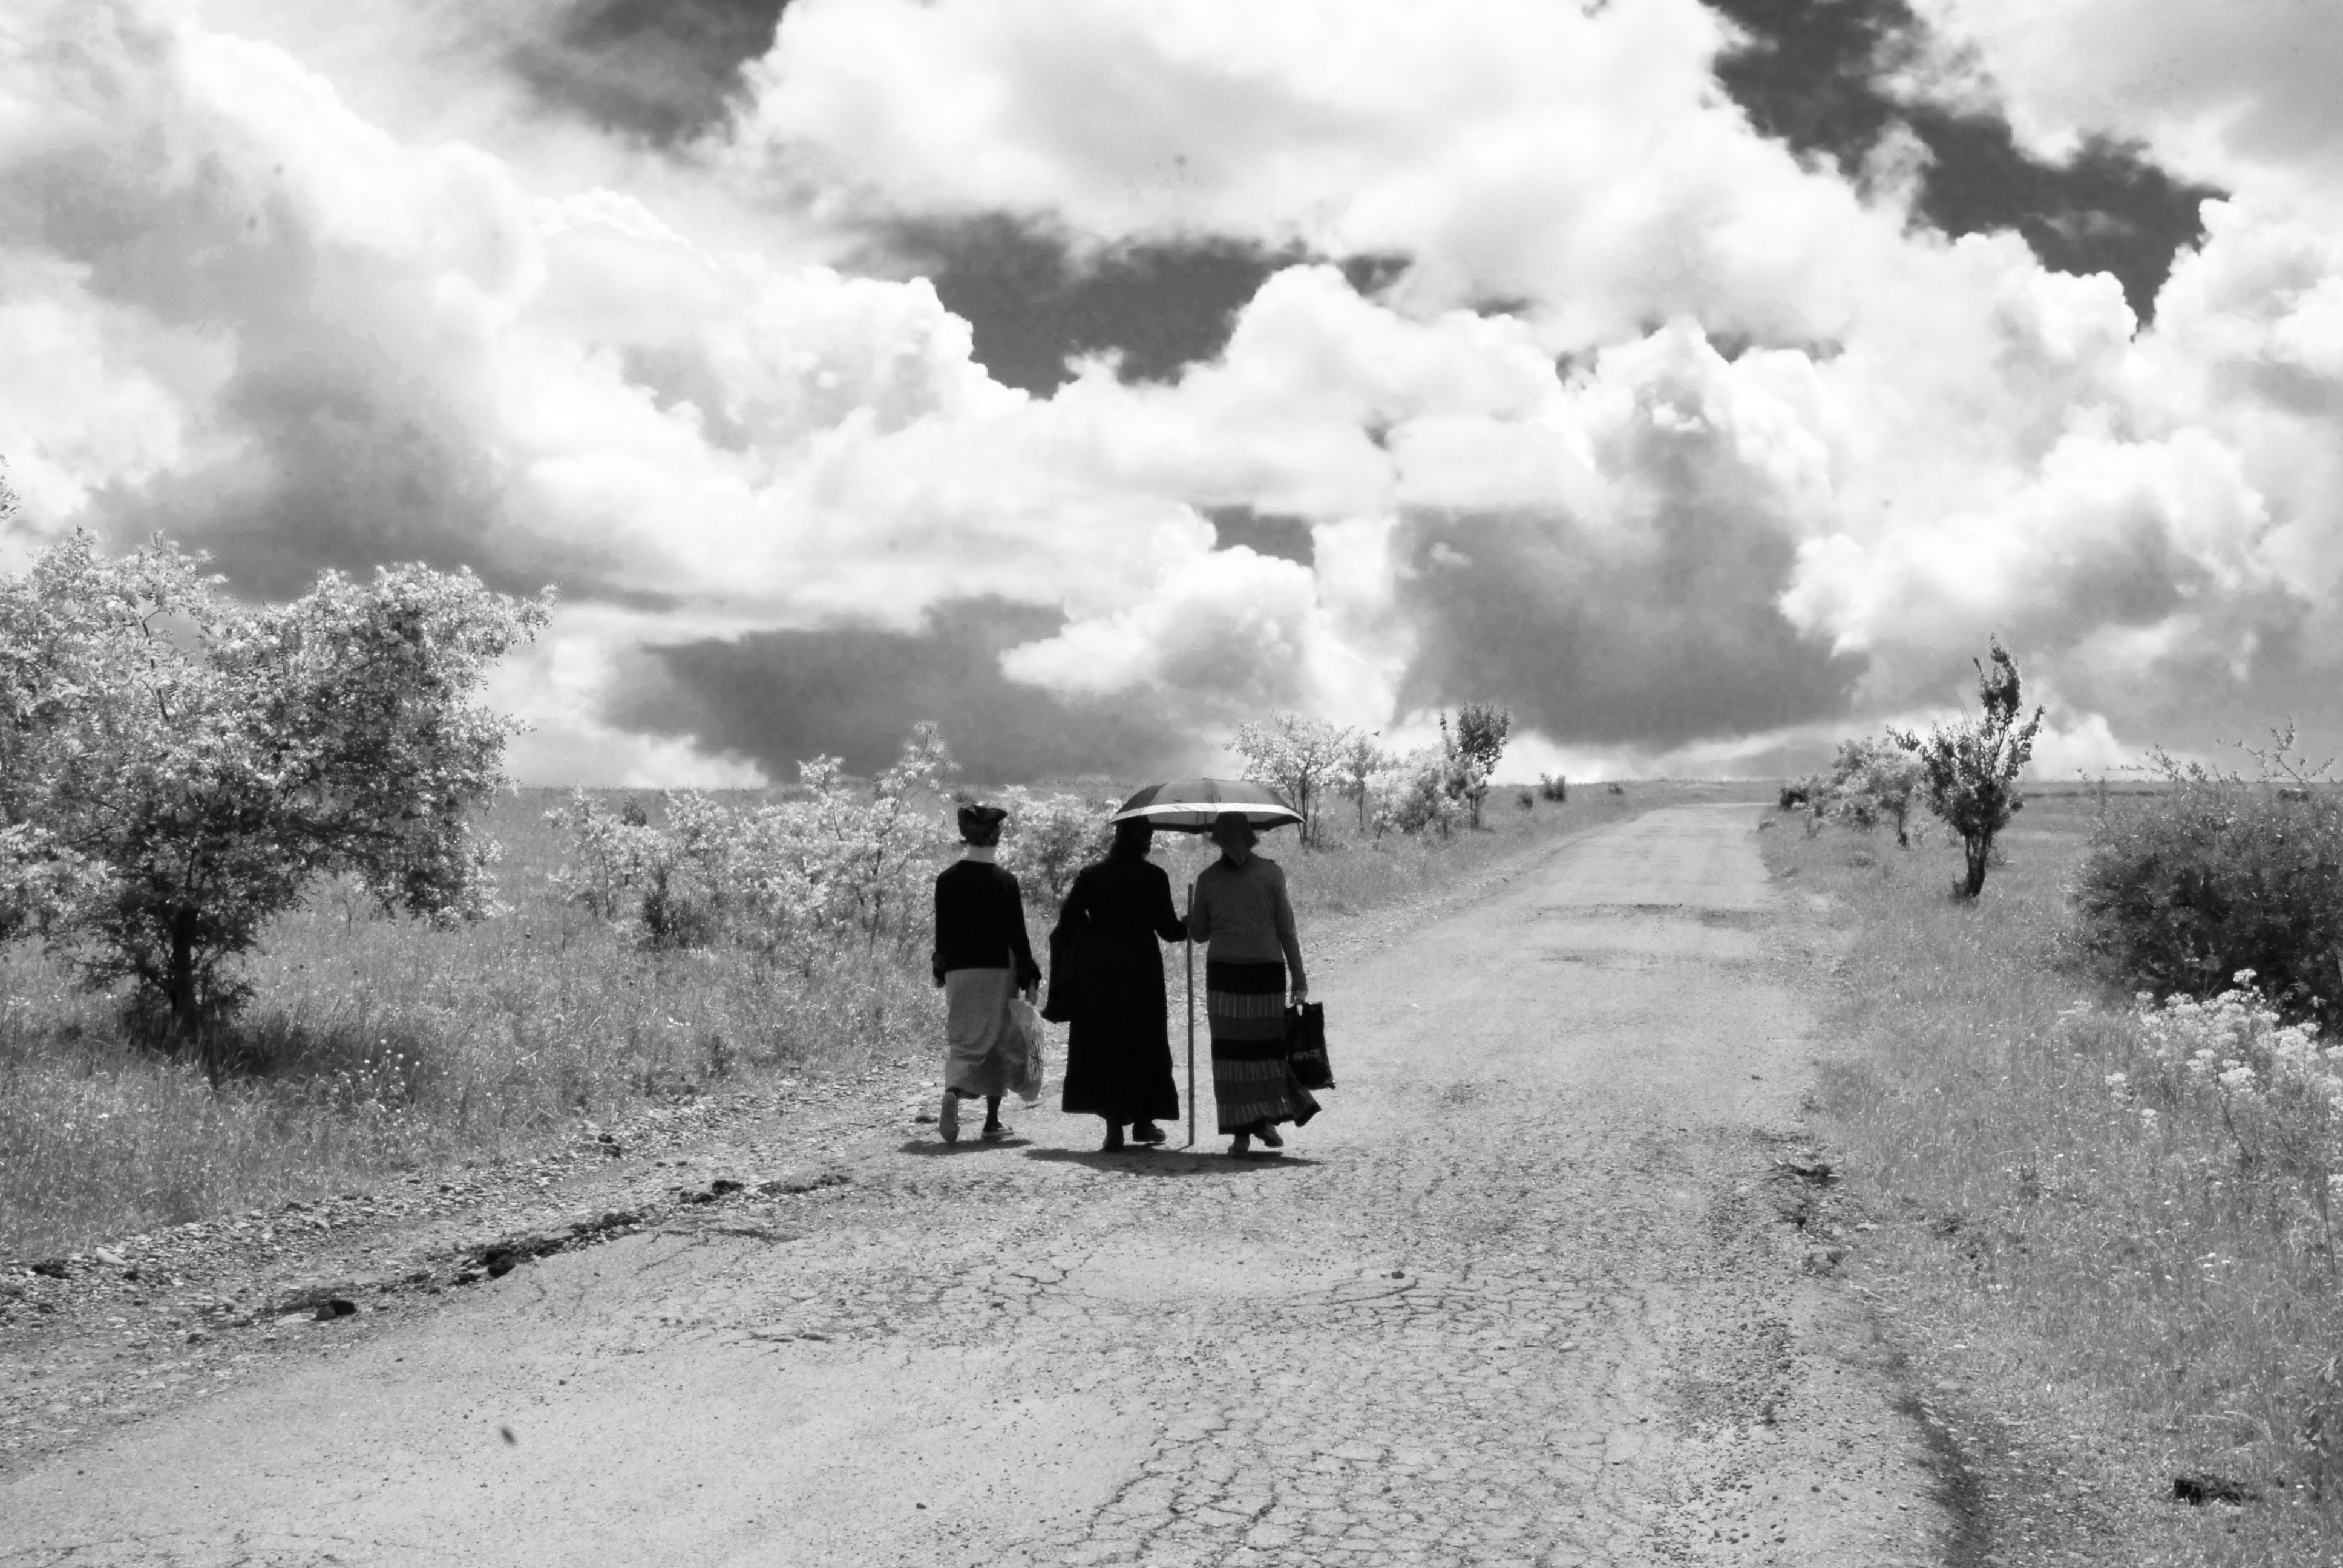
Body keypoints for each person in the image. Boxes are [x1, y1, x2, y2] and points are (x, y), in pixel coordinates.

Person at [1047, 816, 1188, 1152]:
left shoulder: (1092, 876)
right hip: (1141, 968)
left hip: (1100, 969)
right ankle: (1143, 1121)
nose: (1151, 840)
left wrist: (1095, 932)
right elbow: (1168, 930)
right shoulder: (1154, 877)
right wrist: (1188, 924)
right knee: (1143, 1039)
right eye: (1148, 835)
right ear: (1138, 840)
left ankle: (1115, 1127)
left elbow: (1069, 918)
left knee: (1106, 1040)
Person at [1186, 811, 1318, 1157]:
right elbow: (1286, 929)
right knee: (1264, 1051)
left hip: (1226, 980)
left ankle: (1245, 1132)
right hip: (1264, 976)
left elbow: (1199, 934)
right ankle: (1265, 1121)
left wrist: (1189, 916)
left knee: (1232, 1055)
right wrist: (1299, 976)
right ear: (1251, 838)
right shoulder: (1272, 874)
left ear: (1218, 841)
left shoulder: (1208, 879)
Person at [931, 802, 1041, 1144]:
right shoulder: (1005, 881)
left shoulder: (946, 881)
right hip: (998, 970)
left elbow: (943, 933)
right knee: (997, 1040)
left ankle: (954, 1092)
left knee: (964, 1038)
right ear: (996, 836)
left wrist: (940, 969)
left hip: (959, 972)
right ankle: (992, 1121)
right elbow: (1017, 933)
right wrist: (1028, 972)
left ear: (966, 836)